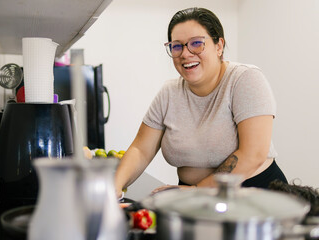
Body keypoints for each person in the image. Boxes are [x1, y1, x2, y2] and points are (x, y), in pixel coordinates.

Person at [114, 7, 287, 197]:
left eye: (196, 43)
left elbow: (253, 154)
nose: (185, 54)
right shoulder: (169, 92)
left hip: (251, 194)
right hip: (193, 196)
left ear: (219, 46)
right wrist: (113, 187)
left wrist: (197, 191)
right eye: (177, 46)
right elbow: (141, 149)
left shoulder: (244, 79)